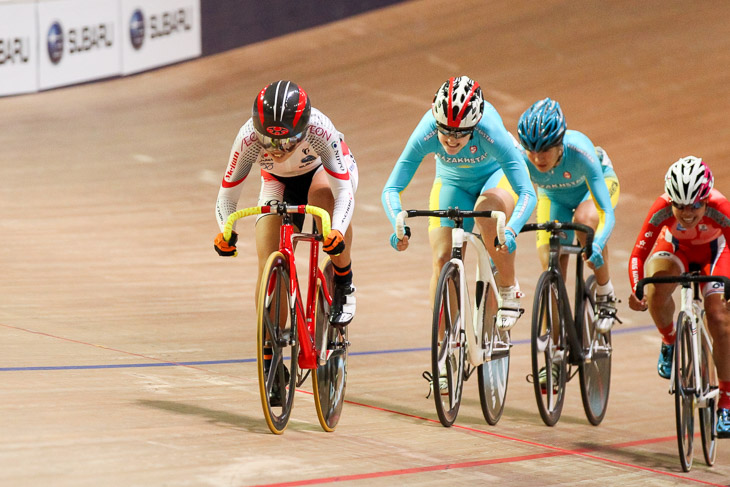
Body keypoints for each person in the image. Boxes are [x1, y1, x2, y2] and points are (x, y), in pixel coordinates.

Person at [382, 76, 536, 334]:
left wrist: (511, 230)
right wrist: (397, 223)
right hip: (453, 182)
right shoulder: (427, 130)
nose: (452, 140)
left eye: (461, 134)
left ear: (474, 127)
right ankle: (445, 349)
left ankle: (508, 289)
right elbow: (392, 188)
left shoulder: (491, 131)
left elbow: (526, 192)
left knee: (488, 216)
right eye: (446, 132)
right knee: (442, 258)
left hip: (496, 177)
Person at [213, 80, 358, 325]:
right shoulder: (247, 138)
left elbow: (343, 190)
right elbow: (227, 195)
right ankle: (271, 353)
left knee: (321, 197)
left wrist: (337, 230)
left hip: (321, 170)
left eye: (288, 141)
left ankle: (344, 281)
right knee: (268, 256)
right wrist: (226, 231)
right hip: (277, 180)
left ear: (304, 130)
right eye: (268, 141)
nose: (278, 150)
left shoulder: (320, 129)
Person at [627, 156, 730, 438]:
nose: (687, 213)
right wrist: (637, 288)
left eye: (695, 205)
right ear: (670, 200)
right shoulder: (660, 209)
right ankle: (669, 340)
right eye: (679, 205)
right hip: (677, 250)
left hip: (715, 254)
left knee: (719, 318)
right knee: (655, 288)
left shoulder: (722, 208)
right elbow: (638, 255)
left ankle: (726, 402)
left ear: (706, 201)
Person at [517, 98, 620, 333]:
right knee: (551, 268)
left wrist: (598, 243)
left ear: (559, 143)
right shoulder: (522, 159)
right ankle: (554, 356)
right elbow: (520, 197)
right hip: (554, 197)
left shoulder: (580, 152)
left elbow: (607, 213)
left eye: (544, 150)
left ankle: (605, 293)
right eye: (531, 150)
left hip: (593, 188)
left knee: (585, 222)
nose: (537, 158)